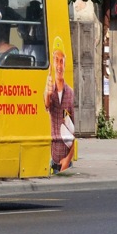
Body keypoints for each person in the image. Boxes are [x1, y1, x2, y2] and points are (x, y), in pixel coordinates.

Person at [44, 37, 76, 172]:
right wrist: (47, 93)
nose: (59, 65)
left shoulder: (70, 93)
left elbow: (73, 128)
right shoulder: (49, 89)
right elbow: (47, 104)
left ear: (65, 63)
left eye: (61, 61)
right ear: (52, 63)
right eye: (56, 60)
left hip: (66, 164)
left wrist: (68, 158)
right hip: (54, 161)